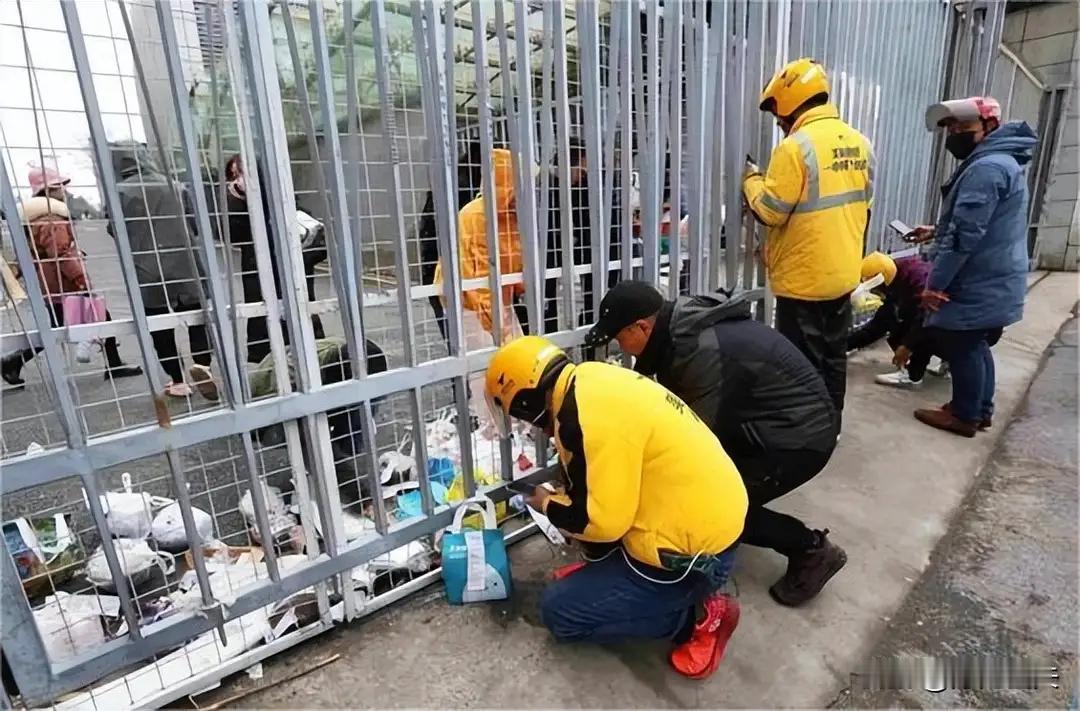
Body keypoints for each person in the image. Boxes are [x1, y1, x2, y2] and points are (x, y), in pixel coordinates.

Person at [484, 335, 747, 679]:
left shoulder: (583, 420)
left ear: (525, 401)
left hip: (691, 556)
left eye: (520, 414)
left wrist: (547, 503)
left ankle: (696, 619)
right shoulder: (589, 381)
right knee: (588, 541)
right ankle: (612, 579)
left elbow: (599, 522)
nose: (532, 426)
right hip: (706, 515)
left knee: (559, 613)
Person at [584, 280, 846, 606]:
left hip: (799, 438)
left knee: (718, 508)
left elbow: (693, 437)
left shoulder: (696, 351)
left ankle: (811, 549)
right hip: (770, 423)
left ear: (641, 327)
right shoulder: (682, 332)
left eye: (620, 338)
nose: (622, 348)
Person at [743, 58, 873, 425]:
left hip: (804, 279)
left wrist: (751, 180)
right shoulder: (860, 143)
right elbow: (865, 205)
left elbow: (770, 211)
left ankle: (806, 427)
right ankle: (831, 422)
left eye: (778, 115)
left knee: (800, 361)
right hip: (843, 272)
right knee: (833, 354)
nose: (779, 123)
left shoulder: (795, 148)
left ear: (789, 102)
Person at [907, 97, 1034, 437]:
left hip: (979, 275)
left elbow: (965, 235)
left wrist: (935, 284)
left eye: (964, 128)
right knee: (975, 343)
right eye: (951, 129)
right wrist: (937, 230)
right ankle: (980, 409)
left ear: (989, 127)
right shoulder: (1001, 162)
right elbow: (980, 221)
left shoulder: (986, 169)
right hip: (994, 271)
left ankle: (964, 415)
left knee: (962, 342)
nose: (955, 135)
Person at [2, 167, 142, 387]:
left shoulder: (35, 218)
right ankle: (13, 361)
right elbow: (61, 254)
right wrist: (80, 279)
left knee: (61, 325)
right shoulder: (51, 218)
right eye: (59, 186)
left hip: (48, 281)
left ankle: (14, 362)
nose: (64, 190)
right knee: (93, 319)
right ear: (48, 190)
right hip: (62, 281)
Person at [108, 141, 213, 399]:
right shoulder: (175, 186)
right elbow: (194, 224)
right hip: (185, 263)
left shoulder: (118, 193)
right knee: (196, 317)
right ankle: (203, 365)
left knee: (159, 326)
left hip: (147, 267)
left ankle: (177, 380)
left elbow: (114, 230)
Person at [222, 155, 327, 364]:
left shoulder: (290, 208)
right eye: (233, 176)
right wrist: (238, 200)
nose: (237, 181)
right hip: (260, 292)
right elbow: (231, 234)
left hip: (295, 290)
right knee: (266, 350)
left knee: (304, 347)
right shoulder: (243, 210)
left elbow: (318, 248)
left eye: (241, 173)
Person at [434, 147, 526, 343]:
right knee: (486, 353)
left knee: (513, 346)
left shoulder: (510, 215)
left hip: (497, 295)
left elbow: (513, 259)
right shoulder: (478, 216)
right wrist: (496, 324)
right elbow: (480, 274)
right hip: (466, 298)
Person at [849, 252, 948, 389]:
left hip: (949, 324)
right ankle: (944, 362)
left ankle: (913, 376)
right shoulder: (895, 275)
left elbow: (925, 319)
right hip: (948, 322)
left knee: (921, 328)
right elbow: (878, 326)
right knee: (895, 322)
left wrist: (907, 346)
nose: (876, 292)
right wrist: (840, 347)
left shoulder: (918, 280)